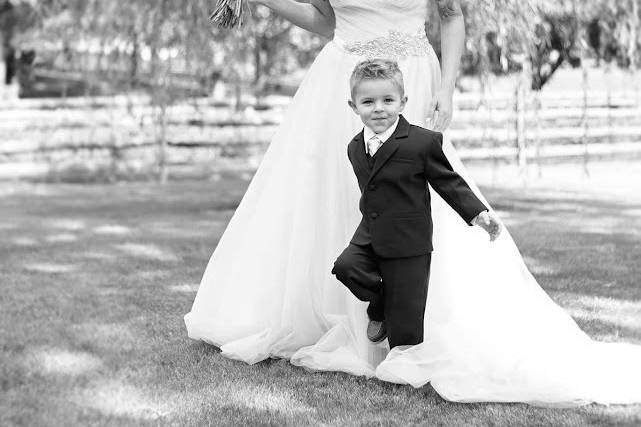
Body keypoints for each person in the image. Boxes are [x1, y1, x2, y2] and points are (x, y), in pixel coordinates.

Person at [185, 0, 641, 405]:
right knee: (332, 192)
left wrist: (446, 88)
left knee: (414, 188)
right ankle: (350, 309)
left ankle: (408, 316)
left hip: (411, 77)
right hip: (339, 82)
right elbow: (325, 20)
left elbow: (451, 14)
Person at [332, 59, 500, 349]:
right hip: (370, 234)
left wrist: (478, 214)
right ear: (353, 106)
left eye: (388, 100)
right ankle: (380, 303)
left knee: (406, 321)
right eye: (368, 102)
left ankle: (406, 368)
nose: (378, 108)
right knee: (346, 267)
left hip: (410, 241)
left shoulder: (422, 142)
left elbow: (448, 181)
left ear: (402, 102)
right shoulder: (354, 147)